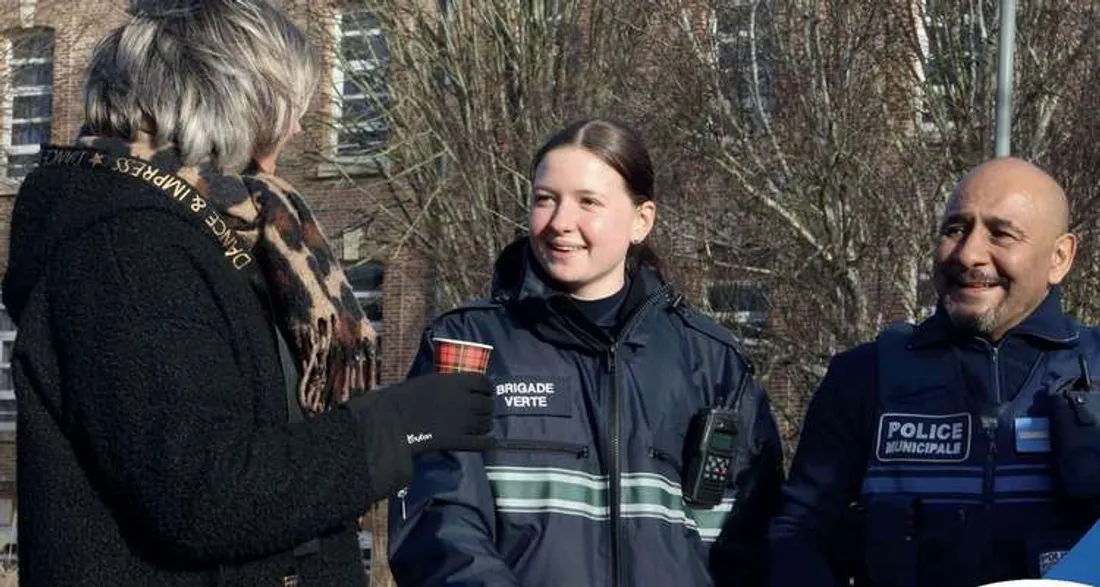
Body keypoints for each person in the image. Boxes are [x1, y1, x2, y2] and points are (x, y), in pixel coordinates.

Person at [1, 1, 496, 585]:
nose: (298, 129)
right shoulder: (126, 247)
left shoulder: (220, 230)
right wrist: (397, 424)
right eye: (287, 106)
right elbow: (202, 493)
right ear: (233, 101)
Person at [387, 118, 784, 587]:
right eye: (544, 199)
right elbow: (436, 522)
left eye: (587, 202)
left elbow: (758, 542)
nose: (559, 223)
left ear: (642, 220)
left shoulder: (713, 365)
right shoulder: (466, 347)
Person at [769, 157, 1100, 586]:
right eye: (955, 230)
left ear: (1060, 257)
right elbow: (799, 532)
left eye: (1000, 234)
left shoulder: (1093, 366)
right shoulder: (866, 375)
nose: (969, 254)